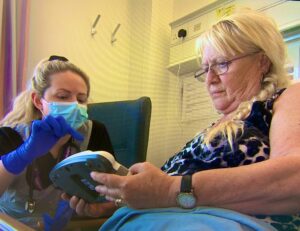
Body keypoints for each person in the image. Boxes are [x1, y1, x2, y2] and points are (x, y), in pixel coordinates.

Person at [67, 9, 300, 231]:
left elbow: (294, 180)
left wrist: (171, 189)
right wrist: (115, 201)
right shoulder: (213, 128)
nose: (209, 79)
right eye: (205, 68)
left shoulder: (288, 97)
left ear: (262, 61)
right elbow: (164, 196)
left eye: (222, 63)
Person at [0, 55, 115, 230]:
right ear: (38, 101)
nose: (75, 105)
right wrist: (22, 155)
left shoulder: (94, 133)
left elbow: (118, 193)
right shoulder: (10, 135)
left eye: (82, 99)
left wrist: (96, 209)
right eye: (62, 96)